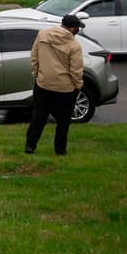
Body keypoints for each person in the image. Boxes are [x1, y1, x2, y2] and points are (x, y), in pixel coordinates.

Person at [24, 14, 84, 155]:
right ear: (72, 28)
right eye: (77, 28)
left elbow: (34, 56)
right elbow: (76, 70)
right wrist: (78, 85)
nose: (78, 31)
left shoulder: (43, 34)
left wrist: (37, 74)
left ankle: (30, 145)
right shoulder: (74, 45)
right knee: (63, 121)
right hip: (65, 88)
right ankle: (60, 149)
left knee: (38, 116)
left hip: (43, 84)